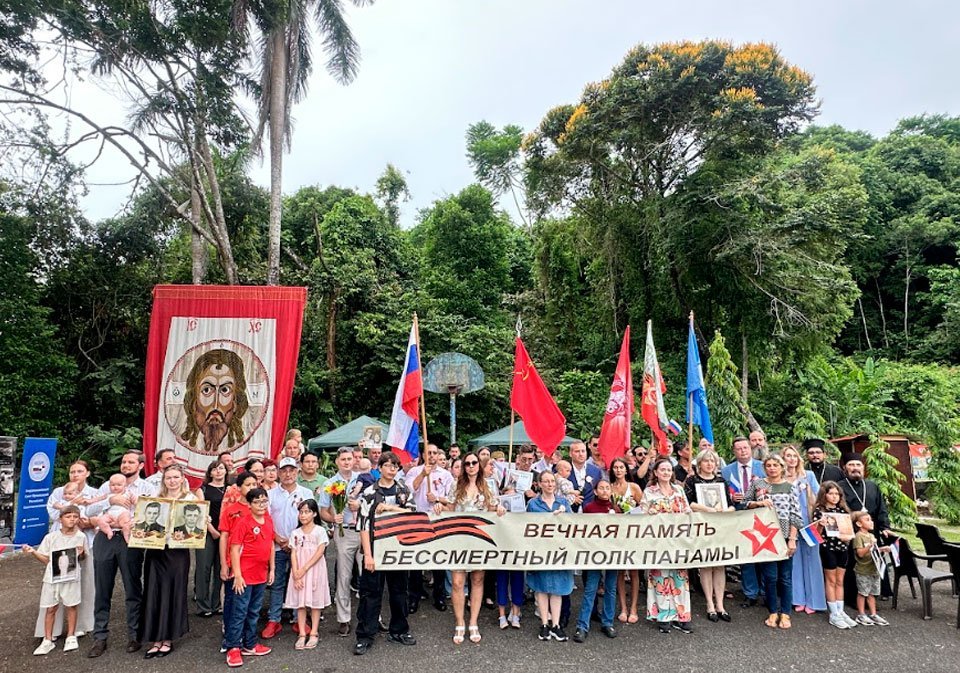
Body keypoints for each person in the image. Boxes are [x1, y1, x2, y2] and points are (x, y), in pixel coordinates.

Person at [86, 450, 158, 658]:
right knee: (102, 587)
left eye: (130, 462)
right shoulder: (108, 485)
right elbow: (89, 512)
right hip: (105, 539)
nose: (125, 465)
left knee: (133, 586)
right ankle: (100, 636)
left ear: (141, 466)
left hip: (131, 539)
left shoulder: (147, 487)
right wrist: (111, 501)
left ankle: (135, 634)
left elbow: (154, 512)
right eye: (124, 462)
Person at [435, 450, 505, 644]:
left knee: (477, 579)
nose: (471, 466)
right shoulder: (456, 485)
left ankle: (473, 621)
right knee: (457, 581)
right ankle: (459, 622)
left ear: (479, 466)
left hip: (480, 539)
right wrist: (441, 508)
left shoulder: (488, 485)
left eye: (474, 463)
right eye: (467, 463)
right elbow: (450, 508)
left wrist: (499, 509)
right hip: (458, 538)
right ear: (463, 467)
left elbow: (492, 508)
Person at [354, 451, 416, 656]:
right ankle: (365, 635)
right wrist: (368, 556)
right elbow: (363, 525)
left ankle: (399, 629)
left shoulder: (404, 490)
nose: (392, 469)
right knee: (370, 595)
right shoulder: (370, 492)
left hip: (398, 551)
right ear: (379, 467)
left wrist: (389, 508)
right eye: (388, 465)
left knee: (399, 592)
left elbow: (412, 514)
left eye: (395, 466)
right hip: (375, 549)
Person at [39, 461, 98, 642]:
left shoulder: (93, 494)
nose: (75, 474)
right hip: (59, 544)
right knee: (54, 586)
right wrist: (72, 504)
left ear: (87, 473)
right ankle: (52, 630)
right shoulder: (59, 492)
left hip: (84, 542)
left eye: (80, 471)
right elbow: (55, 513)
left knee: (83, 585)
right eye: (72, 471)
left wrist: (84, 520)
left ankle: (81, 626)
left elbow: (94, 518)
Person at [140, 465, 195, 658]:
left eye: (175, 477)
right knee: (154, 591)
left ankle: (168, 638)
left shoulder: (191, 499)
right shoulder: (156, 498)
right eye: (168, 477)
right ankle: (156, 638)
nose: (171, 481)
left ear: (182, 479)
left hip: (177, 553)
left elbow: (197, 524)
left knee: (173, 592)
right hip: (156, 551)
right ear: (164, 480)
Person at [744, 453, 801, 629]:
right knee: (770, 577)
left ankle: (785, 613)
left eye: (776, 465)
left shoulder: (790, 487)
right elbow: (745, 503)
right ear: (764, 467)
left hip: (784, 536)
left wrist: (792, 539)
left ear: (782, 467)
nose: (772, 468)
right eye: (769, 465)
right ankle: (772, 611)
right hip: (765, 536)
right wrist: (758, 504)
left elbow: (796, 515)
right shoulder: (758, 483)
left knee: (785, 577)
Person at [24, 505, 88, 655]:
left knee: (71, 605)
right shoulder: (51, 537)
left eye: (75, 517)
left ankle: (71, 636)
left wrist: (81, 553)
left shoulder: (81, 536)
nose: (72, 520)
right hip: (52, 577)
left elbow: (83, 558)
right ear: (60, 519)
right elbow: (46, 559)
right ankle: (47, 639)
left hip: (71, 576)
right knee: (50, 607)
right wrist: (33, 552)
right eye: (68, 516)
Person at [262, 457, 314, 639]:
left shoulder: (306, 493)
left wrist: (293, 541)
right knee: (277, 584)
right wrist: (278, 539)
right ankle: (274, 619)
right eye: (284, 470)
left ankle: (297, 618)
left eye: (291, 470)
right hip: (276, 546)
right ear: (278, 472)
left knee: (298, 582)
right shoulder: (270, 495)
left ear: (297, 471)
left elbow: (309, 520)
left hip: (299, 547)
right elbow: (266, 520)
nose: (288, 474)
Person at [641, 458, 694, 634]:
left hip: (678, 541)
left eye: (669, 470)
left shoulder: (678, 490)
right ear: (655, 472)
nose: (666, 472)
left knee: (680, 577)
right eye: (662, 469)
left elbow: (687, 512)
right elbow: (642, 515)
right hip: (658, 541)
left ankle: (682, 615)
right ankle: (664, 615)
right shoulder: (649, 492)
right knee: (660, 577)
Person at [225, 488, 275, 667]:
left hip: (261, 575)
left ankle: (250, 643)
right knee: (239, 612)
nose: (261, 505)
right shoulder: (243, 522)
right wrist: (237, 575)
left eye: (264, 501)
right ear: (250, 504)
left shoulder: (268, 521)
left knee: (254, 612)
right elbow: (235, 549)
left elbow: (270, 545)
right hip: (244, 576)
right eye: (257, 502)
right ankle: (233, 647)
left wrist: (272, 569)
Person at [838, 452, 896, 601]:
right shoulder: (839, 487)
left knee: (874, 561)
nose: (855, 468)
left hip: (871, 531)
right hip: (850, 533)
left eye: (858, 465)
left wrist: (885, 526)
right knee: (853, 565)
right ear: (845, 468)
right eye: (851, 465)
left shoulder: (872, 486)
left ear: (863, 468)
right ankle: (853, 597)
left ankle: (879, 592)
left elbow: (881, 508)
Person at [684, 449, 733, 623]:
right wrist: (708, 509)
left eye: (712, 461)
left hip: (720, 527)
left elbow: (731, 504)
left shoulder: (721, 481)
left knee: (719, 565)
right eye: (706, 461)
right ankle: (709, 604)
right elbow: (688, 503)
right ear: (699, 463)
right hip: (701, 526)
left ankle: (720, 604)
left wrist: (725, 510)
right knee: (706, 564)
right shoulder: (692, 481)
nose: (709, 464)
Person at [404, 444, 453, 613]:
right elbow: (408, 491)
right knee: (416, 561)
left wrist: (438, 499)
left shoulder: (445, 475)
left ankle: (439, 596)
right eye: (428, 453)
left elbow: (451, 498)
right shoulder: (413, 471)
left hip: (438, 520)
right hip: (417, 520)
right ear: (423, 455)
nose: (431, 455)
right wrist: (422, 474)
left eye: (434, 452)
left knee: (438, 561)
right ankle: (414, 597)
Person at [318, 446, 361, 637]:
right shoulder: (330, 483)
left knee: (369, 575)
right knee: (344, 576)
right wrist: (331, 519)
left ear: (354, 460)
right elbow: (323, 510)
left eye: (349, 459)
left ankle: (372, 616)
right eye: (342, 459)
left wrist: (360, 505)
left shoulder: (363, 479)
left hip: (364, 531)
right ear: (337, 462)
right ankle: (344, 619)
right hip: (344, 533)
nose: (346, 462)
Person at [526, 470, 573, 641]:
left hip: (559, 551)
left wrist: (563, 518)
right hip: (541, 551)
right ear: (539, 484)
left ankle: (556, 624)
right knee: (541, 586)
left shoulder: (563, 502)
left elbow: (574, 525)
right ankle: (544, 623)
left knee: (557, 588)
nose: (549, 484)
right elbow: (528, 527)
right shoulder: (533, 504)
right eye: (545, 481)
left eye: (552, 481)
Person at [721, 436, 765, 608]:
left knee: (764, 554)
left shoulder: (763, 467)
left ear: (750, 448)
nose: (743, 451)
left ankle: (766, 591)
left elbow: (770, 488)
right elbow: (721, 493)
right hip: (739, 516)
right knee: (745, 556)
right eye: (738, 449)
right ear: (734, 451)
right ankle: (750, 593)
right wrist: (731, 496)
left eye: (745, 448)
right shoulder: (726, 471)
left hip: (760, 516)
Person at [573, 479, 619, 643]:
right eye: (602, 488)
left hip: (613, 555)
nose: (605, 491)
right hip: (594, 554)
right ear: (596, 491)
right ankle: (582, 625)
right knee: (591, 588)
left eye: (607, 488)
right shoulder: (589, 508)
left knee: (610, 588)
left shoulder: (617, 509)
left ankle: (608, 622)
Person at [782, 444, 826, 614]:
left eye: (794, 456)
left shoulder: (808, 476)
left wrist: (819, 518)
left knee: (812, 560)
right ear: (783, 459)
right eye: (788, 456)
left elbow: (818, 498)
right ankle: (798, 598)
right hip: (789, 525)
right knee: (795, 562)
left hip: (809, 524)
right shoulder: (780, 478)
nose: (791, 459)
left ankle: (814, 600)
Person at [218, 471, 259, 654]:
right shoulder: (231, 510)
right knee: (233, 603)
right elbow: (224, 537)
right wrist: (224, 564)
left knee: (250, 606)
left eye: (254, 484)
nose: (252, 488)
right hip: (234, 563)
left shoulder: (259, 509)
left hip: (254, 565)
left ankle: (247, 641)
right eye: (248, 485)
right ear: (239, 488)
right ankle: (230, 641)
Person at [285, 499, 330, 650]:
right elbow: (293, 553)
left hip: (314, 569)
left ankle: (314, 632)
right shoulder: (295, 533)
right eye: (301, 512)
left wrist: (304, 569)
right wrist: (296, 573)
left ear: (314, 513)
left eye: (307, 512)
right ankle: (302, 633)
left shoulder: (320, 531)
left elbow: (320, 551)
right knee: (301, 603)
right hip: (299, 571)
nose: (303, 515)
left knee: (315, 602)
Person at [813, 481, 858, 629]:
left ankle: (840, 610)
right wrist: (820, 524)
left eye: (837, 494)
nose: (834, 497)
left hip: (842, 548)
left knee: (840, 580)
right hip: (828, 548)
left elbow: (848, 531)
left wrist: (848, 537)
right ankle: (833, 613)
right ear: (824, 495)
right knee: (830, 580)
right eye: (831, 493)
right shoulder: (820, 511)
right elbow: (816, 535)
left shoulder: (843, 510)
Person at [609, 457, 643, 623]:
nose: (618, 470)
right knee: (620, 572)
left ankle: (634, 607)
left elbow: (644, 507)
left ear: (625, 469)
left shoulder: (634, 487)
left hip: (633, 533)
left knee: (634, 572)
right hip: (616, 534)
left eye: (621, 467)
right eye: (615, 467)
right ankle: (623, 607)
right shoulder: (609, 488)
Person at [194, 459, 227, 618]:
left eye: (221, 468)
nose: (218, 471)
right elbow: (201, 513)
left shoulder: (232, 489)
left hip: (226, 534)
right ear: (210, 473)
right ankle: (203, 604)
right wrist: (213, 531)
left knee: (221, 569)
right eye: (214, 469)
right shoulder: (203, 489)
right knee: (203, 568)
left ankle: (217, 604)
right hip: (207, 532)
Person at [851, 511, 890, 626]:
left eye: (871, 519)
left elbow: (875, 551)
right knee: (862, 592)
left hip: (874, 569)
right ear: (859, 523)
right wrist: (869, 546)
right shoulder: (859, 536)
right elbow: (860, 553)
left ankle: (873, 614)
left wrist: (882, 549)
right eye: (867, 520)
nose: (871, 522)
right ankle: (861, 614)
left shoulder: (871, 536)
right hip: (863, 570)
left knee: (872, 593)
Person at [95, 474, 134, 541]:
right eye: (113, 485)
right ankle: (108, 531)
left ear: (125, 485)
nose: (115, 487)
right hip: (110, 514)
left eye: (119, 485)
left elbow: (136, 501)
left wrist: (135, 501)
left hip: (123, 512)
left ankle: (126, 535)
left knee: (126, 522)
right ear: (109, 486)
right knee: (100, 520)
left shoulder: (128, 493)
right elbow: (97, 499)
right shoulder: (108, 495)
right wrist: (89, 501)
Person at [567, 441, 600, 510]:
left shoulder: (596, 471)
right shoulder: (563, 470)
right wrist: (571, 499)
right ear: (570, 453)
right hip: (569, 513)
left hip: (590, 514)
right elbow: (557, 492)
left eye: (583, 451)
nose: (581, 454)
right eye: (577, 451)